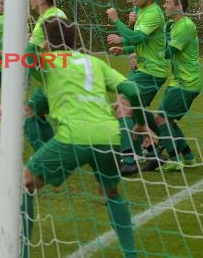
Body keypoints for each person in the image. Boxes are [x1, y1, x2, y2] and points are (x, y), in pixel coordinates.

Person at [13, 17, 144, 258]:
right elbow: (132, 90)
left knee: (26, 182)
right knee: (111, 193)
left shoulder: (48, 61)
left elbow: (26, 59)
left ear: (47, 43)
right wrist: (141, 124)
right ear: (73, 41)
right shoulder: (93, 62)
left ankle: (22, 253)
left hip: (74, 137)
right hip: (109, 135)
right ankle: (131, 254)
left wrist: (32, 42)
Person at [106, 0, 169, 175]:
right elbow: (141, 43)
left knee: (123, 107)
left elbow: (136, 37)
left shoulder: (152, 13)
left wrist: (116, 21)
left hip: (151, 73)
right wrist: (123, 48)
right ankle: (152, 152)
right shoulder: (141, 11)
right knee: (128, 109)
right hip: (143, 70)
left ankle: (128, 159)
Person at [150, 0, 201, 171]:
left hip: (187, 83)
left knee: (159, 119)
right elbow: (158, 45)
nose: (164, 5)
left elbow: (167, 52)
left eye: (168, 2)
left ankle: (173, 160)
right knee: (169, 121)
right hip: (177, 81)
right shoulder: (170, 25)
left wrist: (141, 55)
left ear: (179, 7)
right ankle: (188, 158)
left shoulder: (186, 26)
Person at [24, 0, 67, 152]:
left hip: (55, 78)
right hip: (64, 73)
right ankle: (53, 152)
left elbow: (30, 53)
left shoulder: (46, 19)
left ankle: (42, 159)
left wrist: (25, 78)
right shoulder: (59, 13)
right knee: (38, 113)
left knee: (28, 113)